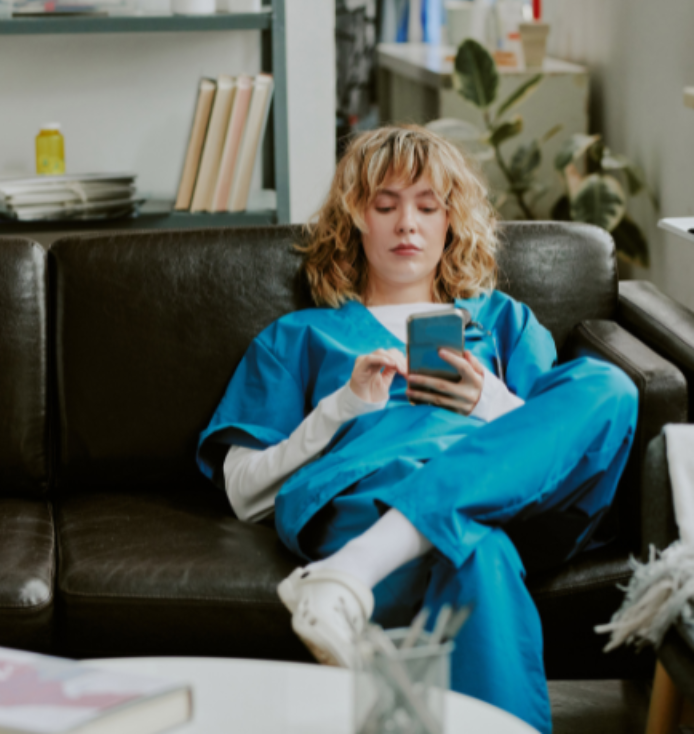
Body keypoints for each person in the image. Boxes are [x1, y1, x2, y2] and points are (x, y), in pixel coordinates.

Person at [196, 125, 638, 734]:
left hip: (516, 503)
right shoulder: (298, 336)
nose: (408, 223)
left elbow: (567, 443)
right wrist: (343, 407)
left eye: (428, 206)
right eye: (386, 205)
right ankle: (388, 546)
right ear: (356, 215)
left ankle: (352, 571)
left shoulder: (504, 320)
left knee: (610, 386)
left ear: (451, 220)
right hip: (377, 498)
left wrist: (489, 400)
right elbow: (242, 491)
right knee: (478, 550)